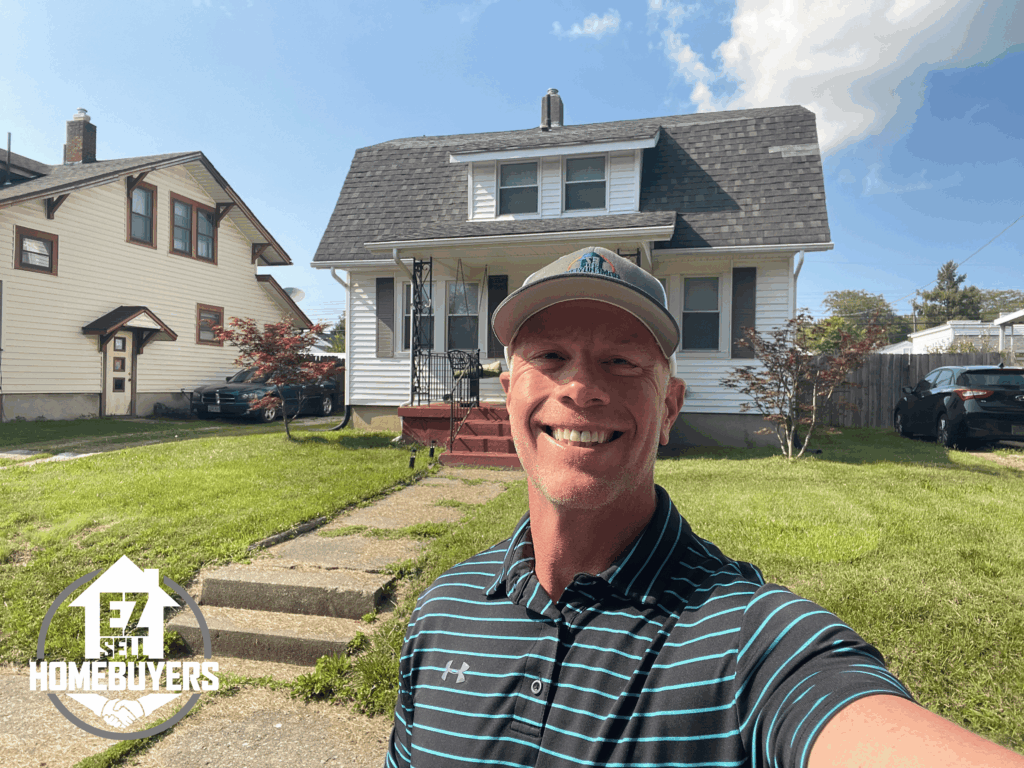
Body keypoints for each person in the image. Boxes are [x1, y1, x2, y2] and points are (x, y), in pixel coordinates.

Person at [385, 246, 1022, 768]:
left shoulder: (748, 640)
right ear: (506, 393)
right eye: (549, 357)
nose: (581, 387)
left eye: (622, 362)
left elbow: (848, 717)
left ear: (669, 408)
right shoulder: (442, 610)